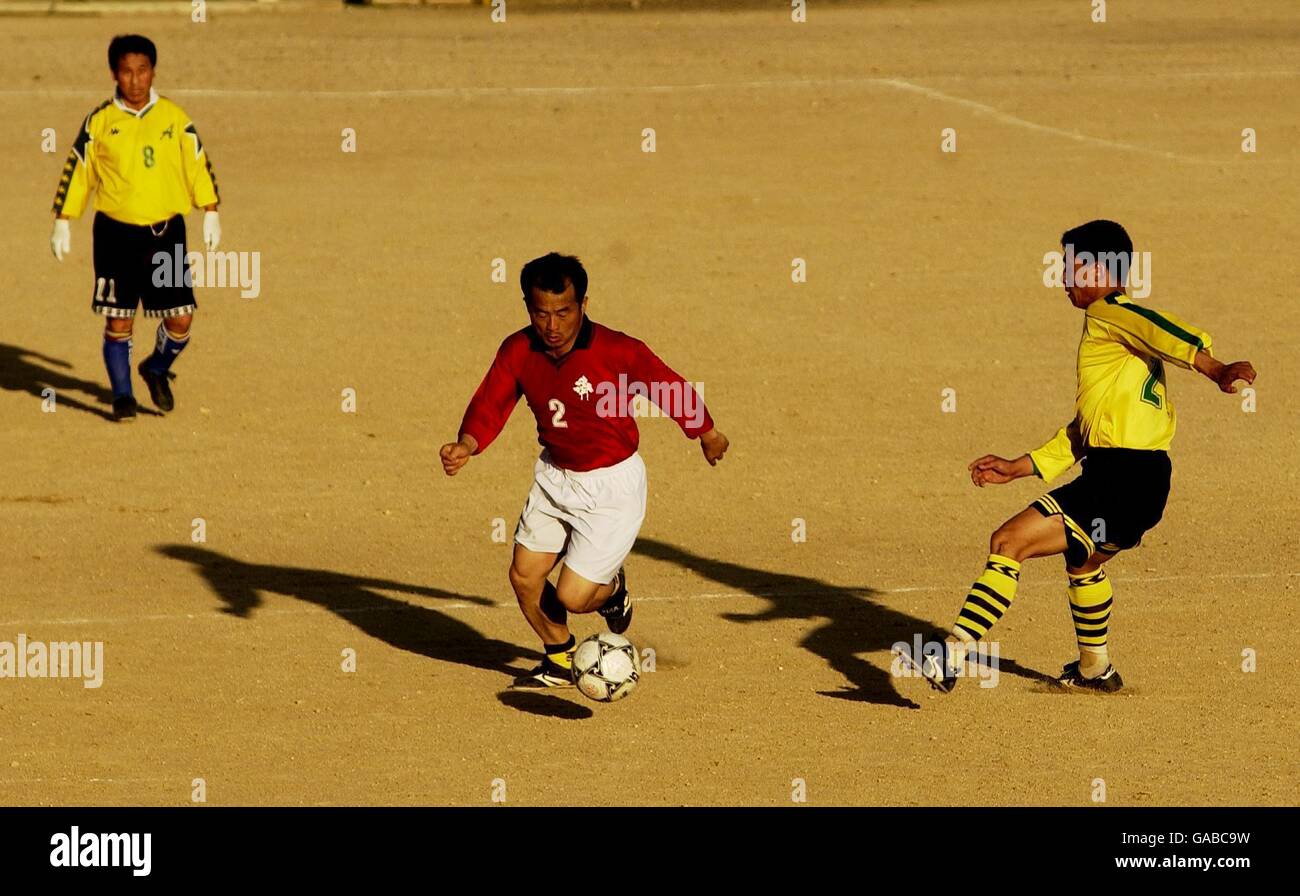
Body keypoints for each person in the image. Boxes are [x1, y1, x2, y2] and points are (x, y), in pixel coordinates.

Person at [918, 219, 1256, 693]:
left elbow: (1163, 330)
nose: (1062, 278)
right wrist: (1021, 466)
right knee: (1084, 562)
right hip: (1147, 481)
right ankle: (1096, 669)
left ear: (1103, 269)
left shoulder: (1110, 313)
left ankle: (950, 654)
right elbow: (1087, 430)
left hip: (1120, 478)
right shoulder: (1113, 336)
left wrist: (1215, 367)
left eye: (1070, 267)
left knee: (1007, 542)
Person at [441, 253, 729, 688]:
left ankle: (612, 591)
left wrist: (706, 432)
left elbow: (666, 386)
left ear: (584, 304)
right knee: (523, 575)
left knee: (573, 597)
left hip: (612, 486)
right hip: (556, 478)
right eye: (541, 313)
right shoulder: (518, 350)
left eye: (563, 312)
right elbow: (492, 401)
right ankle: (559, 658)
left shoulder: (617, 350)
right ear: (527, 307)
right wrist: (467, 443)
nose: (552, 326)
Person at [51, 34, 220, 421]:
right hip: (115, 235)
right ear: (114, 73)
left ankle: (156, 368)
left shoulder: (175, 118)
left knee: (180, 318)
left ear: (153, 71)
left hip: (165, 233)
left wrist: (211, 209)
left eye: (142, 70)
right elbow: (78, 170)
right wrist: (63, 220)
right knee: (119, 319)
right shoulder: (101, 121)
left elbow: (198, 163)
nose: (135, 80)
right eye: (127, 72)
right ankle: (123, 395)